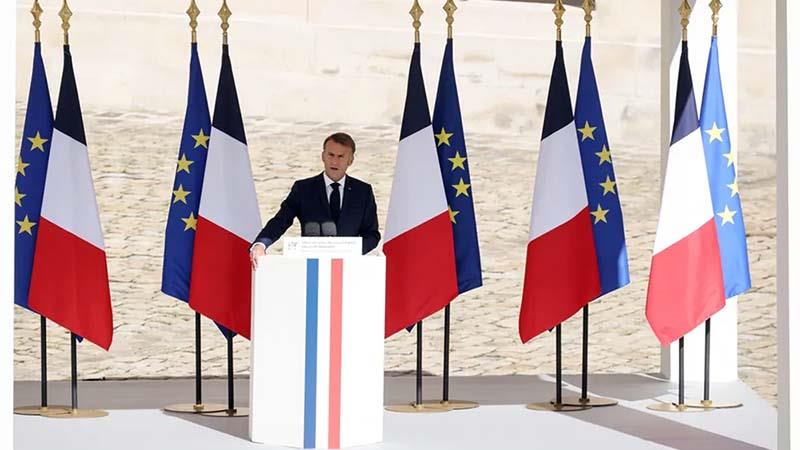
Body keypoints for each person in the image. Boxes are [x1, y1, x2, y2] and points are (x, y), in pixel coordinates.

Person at [250, 132, 381, 268]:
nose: (334, 162)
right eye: (330, 155)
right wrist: (261, 244)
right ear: (323, 156)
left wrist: (350, 252)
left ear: (351, 160)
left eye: (341, 156)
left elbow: (372, 234)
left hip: (348, 268)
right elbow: (281, 221)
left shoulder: (363, 192)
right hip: (311, 268)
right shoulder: (303, 189)